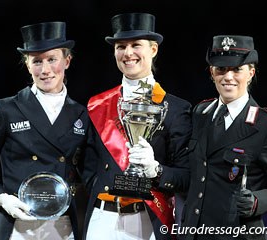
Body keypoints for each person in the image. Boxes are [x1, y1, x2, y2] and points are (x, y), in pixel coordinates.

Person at [0, 21, 97, 240]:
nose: (45, 70)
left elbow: (91, 174)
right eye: (37, 61)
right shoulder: (5, 110)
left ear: (67, 61)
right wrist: (2, 199)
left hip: (62, 224)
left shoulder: (82, 114)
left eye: (52, 59)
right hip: (16, 222)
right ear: (28, 65)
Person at [82, 12, 192, 240]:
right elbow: (89, 166)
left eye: (136, 45)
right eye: (121, 46)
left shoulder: (176, 108)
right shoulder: (98, 104)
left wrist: (155, 170)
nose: (128, 53)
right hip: (103, 220)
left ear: (153, 50)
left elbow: (186, 176)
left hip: (148, 220)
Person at [179, 35, 267, 240]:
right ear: (211, 72)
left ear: (250, 73)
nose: (228, 77)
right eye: (221, 69)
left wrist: (257, 201)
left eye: (236, 69)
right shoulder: (200, 112)